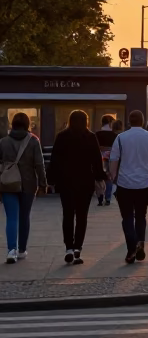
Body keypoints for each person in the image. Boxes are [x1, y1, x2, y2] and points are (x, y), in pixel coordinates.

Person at [108, 109, 148, 264]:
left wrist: (112, 176)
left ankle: (131, 248)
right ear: (144, 121)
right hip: (144, 184)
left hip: (124, 184)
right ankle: (140, 242)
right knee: (141, 216)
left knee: (127, 217)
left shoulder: (120, 138)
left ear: (129, 122)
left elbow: (113, 160)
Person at [49, 110, 105, 264]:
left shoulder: (62, 137)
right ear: (86, 121)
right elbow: (96, 160)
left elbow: (55, 160)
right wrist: (100, 177)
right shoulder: (90, 137)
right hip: (85, 182)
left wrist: (51, 180)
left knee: (68, 215)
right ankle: (77, 248)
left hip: (66, 182)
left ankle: (68, 247)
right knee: (82, 216)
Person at [0, 112, 46, 263]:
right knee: (24, 217)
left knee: (12, 217)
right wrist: (43, 184)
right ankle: (22, 250)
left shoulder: (3, 142)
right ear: (27, 125)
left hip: (8, 184)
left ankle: (11, 250)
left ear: (12, 124)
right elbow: (39, 164)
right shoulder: (33, 141)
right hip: (28, 185)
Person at [95, 115, 116, 206]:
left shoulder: (97, 134)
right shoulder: (115, 135)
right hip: (111, 158)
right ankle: (107, 198)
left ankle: (100, 197)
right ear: (111, 123)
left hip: (99, 157)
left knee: (99, 178)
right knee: (109, 178)